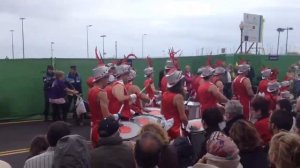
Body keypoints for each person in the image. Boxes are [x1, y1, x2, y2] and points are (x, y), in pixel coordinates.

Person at [88, 63, 111, 147]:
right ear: (102, 78)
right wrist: (115, 118)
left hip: (94, 126)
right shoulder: (102, 93)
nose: (108, 80)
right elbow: (106, 117)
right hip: (102, 130)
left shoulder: (91, 90)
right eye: (107, 77)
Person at [161, 69, 188, 140]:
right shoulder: (178, 97)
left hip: (166, 128)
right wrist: (187, 125)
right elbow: (182, 117)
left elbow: (161, 112)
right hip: (176, 128)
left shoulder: (164, 94)